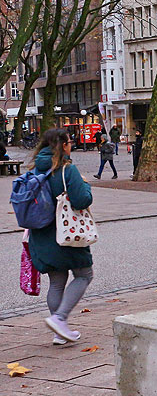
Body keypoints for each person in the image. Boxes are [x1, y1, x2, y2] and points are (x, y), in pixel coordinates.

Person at [26, 129, 94, 344]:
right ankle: (60, 318)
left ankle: (59, 332)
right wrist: (85, 185)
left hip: (40, 234)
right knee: (84, 275)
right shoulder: (66, 169)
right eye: (69, 142)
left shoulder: (34, 170)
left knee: (56, 282)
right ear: (64, 145)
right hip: (67, 233)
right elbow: (82, 200)